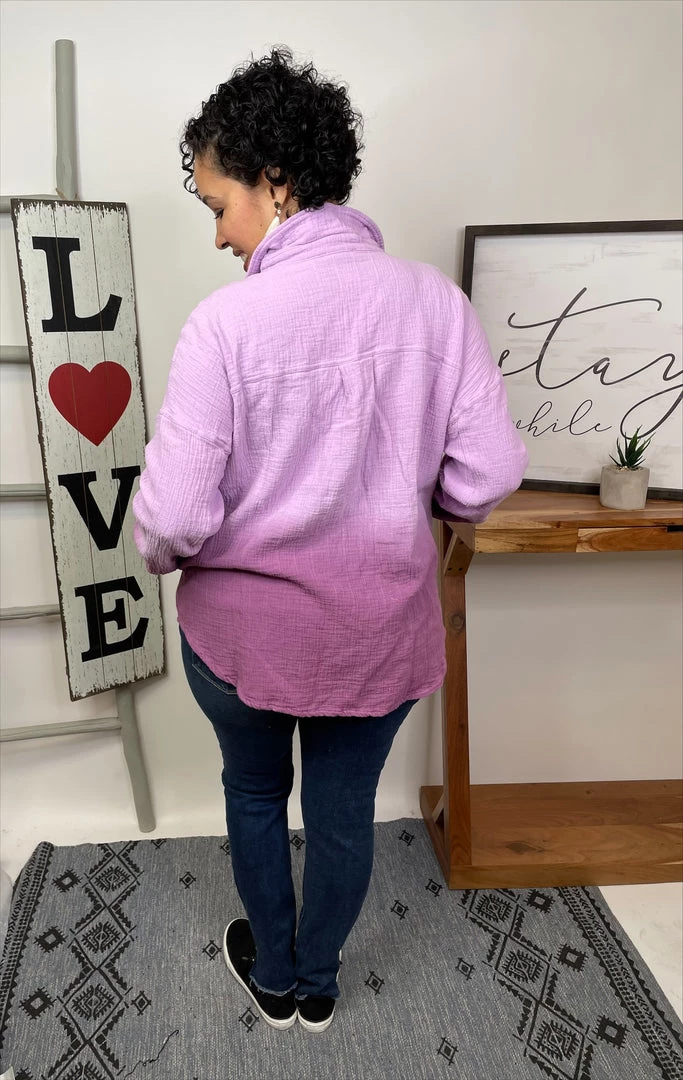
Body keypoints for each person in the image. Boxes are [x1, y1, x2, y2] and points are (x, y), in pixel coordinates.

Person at [132, 46, 528, 1035]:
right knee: (344, 813)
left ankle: (273, 975)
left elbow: (172, 520)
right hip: (379, 633)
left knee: (254, 791)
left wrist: (166, 552)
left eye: (219, 205)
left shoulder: (223, 327)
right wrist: (412, 497)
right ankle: (318, 983)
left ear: (274, 181)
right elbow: (486, 475)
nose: (219, 234)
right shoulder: (435, 304)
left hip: (241, 641)